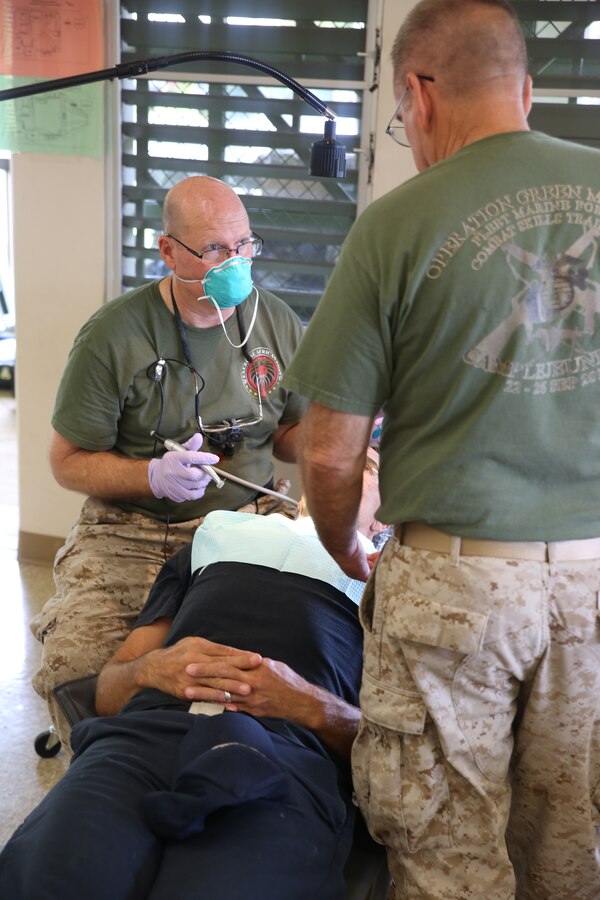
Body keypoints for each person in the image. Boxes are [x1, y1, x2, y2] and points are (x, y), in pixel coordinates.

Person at [282, 1, 600, 898]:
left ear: (418, 95)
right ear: (524, 90)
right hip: (594, 584)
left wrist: (345, 545)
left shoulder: (396, 224)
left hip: (456, 588)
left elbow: (330, 453)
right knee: (570, 846)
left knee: (447, 854)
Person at [0, 452, 386, 900]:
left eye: (368, 466)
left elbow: (400, 750)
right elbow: (106, 694)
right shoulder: (217, 535)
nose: (343, 459)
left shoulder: (388, 581)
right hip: (145, 736)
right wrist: (149, 669)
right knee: (51, 882)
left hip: (284, 756)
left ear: (385, 520)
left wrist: (309, 704)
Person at [33, 175, 307, 750]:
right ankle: (104, 778)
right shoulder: (114, 335)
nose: (235, 262)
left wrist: (349, 436)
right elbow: (67, 461)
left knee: (271, 665)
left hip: (248, 525)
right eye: (214, 249)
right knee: (77, 668)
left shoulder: (276, 323)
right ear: (168, 250)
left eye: (244, 245)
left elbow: (287, 435)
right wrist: (149, 476)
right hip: (130, 532)